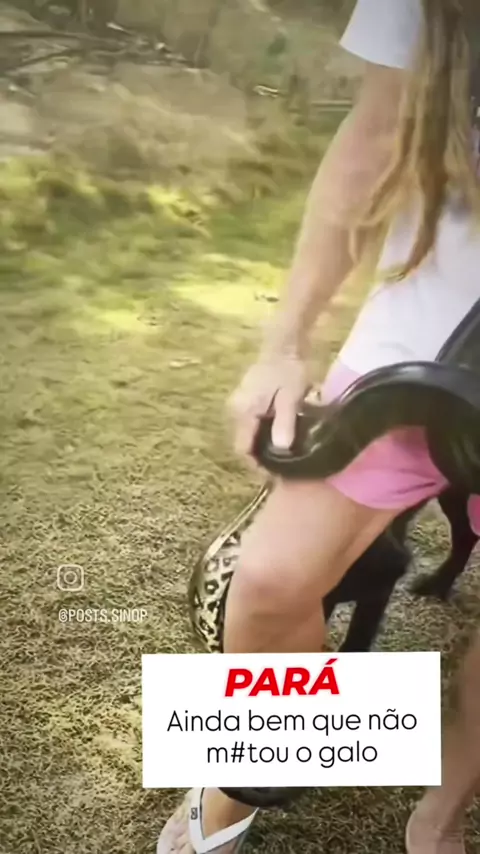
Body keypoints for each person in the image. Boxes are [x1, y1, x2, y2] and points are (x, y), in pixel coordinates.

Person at [157, 1, 480, 852]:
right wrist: (287, 342)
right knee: (269, 582)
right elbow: (372, 138)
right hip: (412, 351)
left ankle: (440, 812)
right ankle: (246, 779)